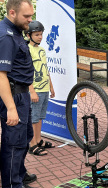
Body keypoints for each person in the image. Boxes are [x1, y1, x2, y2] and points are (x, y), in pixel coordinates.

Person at [0, 0, 36, 187]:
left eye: (31, 15)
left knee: (25, 136)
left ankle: (19, 174)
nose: (30, 20)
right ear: (12, 13)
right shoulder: (6, 36)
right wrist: (11, 109)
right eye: (26, 16)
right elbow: (1, 76)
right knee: (13, 142)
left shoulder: (16, 31)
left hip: (22, 94)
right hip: (13, 96)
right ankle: (12, 184)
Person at [25, 20, 55, 156]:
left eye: (41, 34)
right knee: (33, 118)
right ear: (28, 35)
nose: (40, 37)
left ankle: (38, 140)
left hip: (44, 89)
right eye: (37, 34)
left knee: (40, 117)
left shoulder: (42, 50)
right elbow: (26, 72)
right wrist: (32, 91)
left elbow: (45, 69)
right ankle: (32, 144)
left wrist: (51, 87)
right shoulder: (26, 50)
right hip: (35, 90)